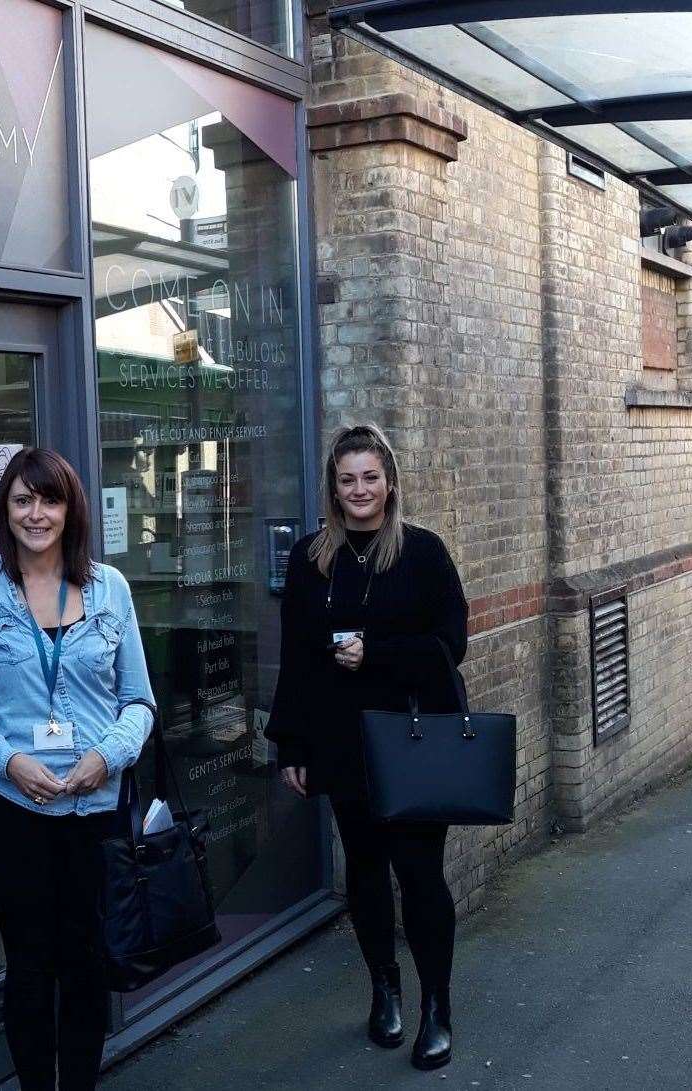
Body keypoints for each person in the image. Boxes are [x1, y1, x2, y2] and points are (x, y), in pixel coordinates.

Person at [0, 447, 155, 1091]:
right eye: (22, 500)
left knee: (87, 965)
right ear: (3, 511)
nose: (37, 514)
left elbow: (139, 701)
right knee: (30, 969)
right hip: (14, 817)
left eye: (49, 499)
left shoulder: (109, 587)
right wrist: (7, 760)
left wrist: (105, 757)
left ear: (71, 508)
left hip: (98, 815)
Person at [267, 423, 468, 1071]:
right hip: (340, 740)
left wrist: (374, 654)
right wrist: (290, 746)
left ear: (388, 482)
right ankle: (384, 988)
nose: (359, 490)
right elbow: (295, 661)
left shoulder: (423, 553)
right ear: (334, 486)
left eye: (369, 477)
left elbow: (450, 645)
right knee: (363, 871)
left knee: (419, 876)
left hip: (412, 741)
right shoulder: (310, 559)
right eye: (347, 478)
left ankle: (435, 1004)